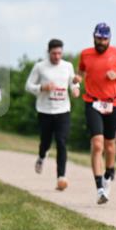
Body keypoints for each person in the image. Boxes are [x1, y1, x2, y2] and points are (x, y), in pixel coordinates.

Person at [77, 22, 116, 204]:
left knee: (110, 145)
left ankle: (108, 174)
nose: (101, 42)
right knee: (97, 144)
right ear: (94, 37)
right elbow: (80, 72)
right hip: (92, 102)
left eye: (104, 39)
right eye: (98, 38)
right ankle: (99, 188)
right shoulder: (85, 54)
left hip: (112, 103)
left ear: (109, 39)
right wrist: (76, 81)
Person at [25, 39, 80, 190]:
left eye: (59, 53)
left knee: (62, 142)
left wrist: (75, 88)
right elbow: (28, 86)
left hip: (63, 110)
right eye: (54, 53)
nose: (57, 56)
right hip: (45, 110)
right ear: (48, 52)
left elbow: (73, 82)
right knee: (45, 142)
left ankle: (61, 177)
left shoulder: (67, 66)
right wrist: (42, 87)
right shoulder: (40, 67)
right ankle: (42, 156)